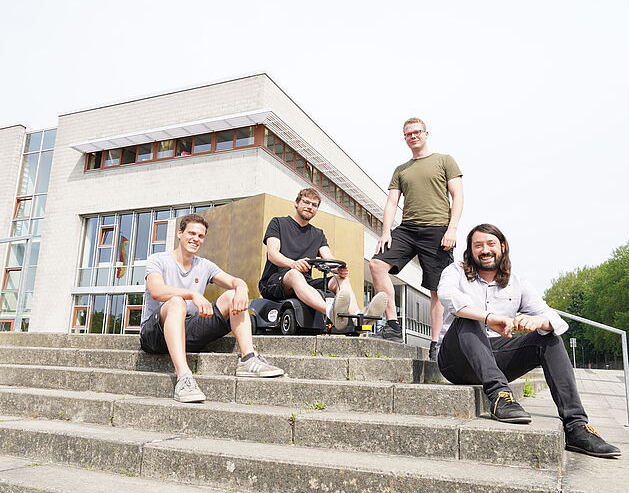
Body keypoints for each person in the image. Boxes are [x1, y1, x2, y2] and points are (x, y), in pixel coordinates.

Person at [437, 223, 621, 458]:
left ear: (502, 247)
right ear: (470, 250)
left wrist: (539, 322)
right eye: (478, 245)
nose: (485, 250)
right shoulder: (455, 271)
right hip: (457, 360)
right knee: (467, 315)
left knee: (548, 336)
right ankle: (500, 397)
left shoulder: (518, 281)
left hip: (496, 355)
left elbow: (552, 317)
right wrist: (488, 317)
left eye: (491, 244)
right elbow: (448, 296)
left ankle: (576, 427)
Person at [140, 213, 284, 403]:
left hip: (188, 331)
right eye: (191, 233)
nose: (195, 239)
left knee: (232, 295)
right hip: (155, 335)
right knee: (176, 301)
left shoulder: (204, 265)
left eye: (200, 236)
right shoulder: (158, 259)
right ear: (180, 234)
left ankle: (248, 359)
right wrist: (192, 294)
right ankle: (184, 378)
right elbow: (157, 291)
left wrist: (241, 287)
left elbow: (233, 280)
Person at [369, 117, 463, 358]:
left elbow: (458, 196)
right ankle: (392, 326)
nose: (413, 136)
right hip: (408, 229)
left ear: (426, 134)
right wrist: (386, 231)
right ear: (405, 138)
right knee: (377, 264)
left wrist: (452, 229)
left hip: (438, 229)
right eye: (409, 133)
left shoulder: (444, 161)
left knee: (436, 290)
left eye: (417, 132)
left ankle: (436, 344)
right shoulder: (401, 170)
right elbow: (391, 202)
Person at [259, 188, 388, 330]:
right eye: (306, 202)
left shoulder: (318, 234)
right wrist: (293, 264)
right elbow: (272, 253)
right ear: (296, 203)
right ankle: (330, 311)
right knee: (295, 274)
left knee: (342, 279)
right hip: (274, 281)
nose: (310, 207)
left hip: (305, 282)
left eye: (314, 205)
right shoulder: (278, 223)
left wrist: (338, 269)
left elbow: (328, 258)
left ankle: (358, 316)